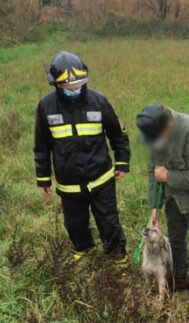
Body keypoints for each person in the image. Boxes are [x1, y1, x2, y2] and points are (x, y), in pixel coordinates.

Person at [34, 51, 130, 265]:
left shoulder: (98, 100)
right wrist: (43, 178)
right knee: (75, 223)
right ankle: (84, 249)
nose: (74, 90)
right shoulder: (46, 107)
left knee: (109, 221)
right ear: (56, 85)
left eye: (78, 84)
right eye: (68, 87)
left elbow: (118, 134)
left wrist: (122, 161)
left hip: (101, 177)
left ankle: (116, 255)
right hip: (69, 182)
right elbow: (41, 146)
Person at [136, 103, 189, 295]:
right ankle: (180, 279)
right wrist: (154, 209)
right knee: (175, 240)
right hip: (173, 198)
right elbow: (153, 173)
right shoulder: (154, 134)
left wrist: (169, 177)